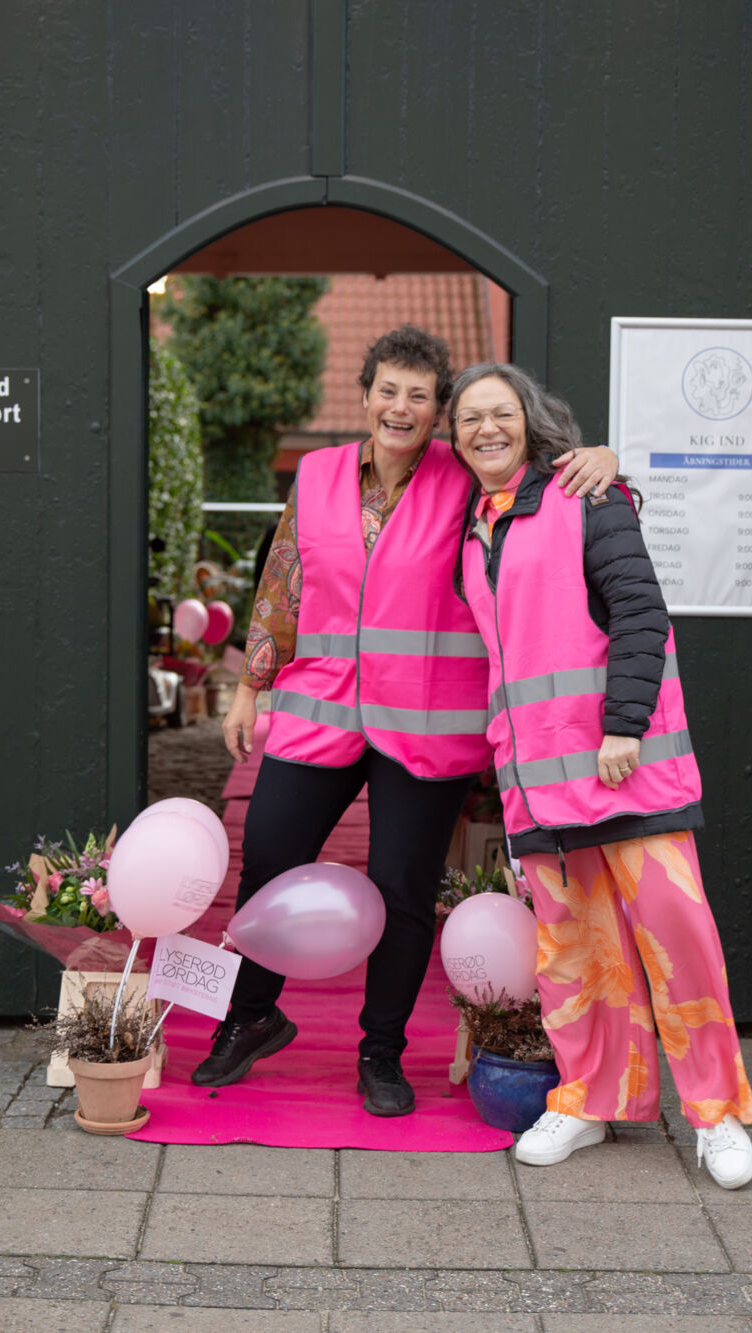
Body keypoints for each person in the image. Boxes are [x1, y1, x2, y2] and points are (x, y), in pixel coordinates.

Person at [199, 325, 621, 1116]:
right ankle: (251, 1017)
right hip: (319, 708)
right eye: (388, 391)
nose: (401, 407)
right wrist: (251, 684)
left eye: (419, 397)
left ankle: (380, 1052)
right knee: (266, 861)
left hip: (426, 718)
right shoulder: (318, 475)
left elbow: (541, 483)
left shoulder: (465, 476)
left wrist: (599, 460)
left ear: (438, 413)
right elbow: (283, 578)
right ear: (365, 397)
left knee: (402, 886)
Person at [449, 361, 752, 1183]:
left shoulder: (589, 495)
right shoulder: (474, 530)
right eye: (469, 418)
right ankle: (590, 1098)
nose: (486, 428)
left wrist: (624, 723)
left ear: (531, 419)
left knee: (678, 943)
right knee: (574, 955)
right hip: (541, 787)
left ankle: (717, 1114)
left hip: (625, 772)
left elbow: (640, 611)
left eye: (501, 412)